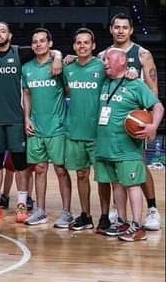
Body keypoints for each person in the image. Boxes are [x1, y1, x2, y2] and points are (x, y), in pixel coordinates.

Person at [0, 21, 62, 223]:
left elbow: (48, 50)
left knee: (20, 165)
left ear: (10, 35)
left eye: (3, 31)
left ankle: (21, 205)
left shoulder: (20, 53)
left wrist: (59, 57)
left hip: (16, 120)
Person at [95, 48, 163, 241]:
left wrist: (153, 126)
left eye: (109, 59)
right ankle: (123, 222)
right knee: (117, 184)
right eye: (105, 59)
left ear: (122, 61)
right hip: (106, 146)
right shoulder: (105, 81)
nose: (105, 63)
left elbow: (157, 106)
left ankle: (137, 226)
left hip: (127, 147)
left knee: (132, 184)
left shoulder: (136, 84)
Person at [21, 28, 72, 227]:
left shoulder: (59, 66)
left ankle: (66, 212)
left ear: (50, 43)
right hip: (36, 125)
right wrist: (27, 118)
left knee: (60, 170)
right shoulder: (27, 68)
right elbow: (27, 95)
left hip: (57, 126)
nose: (38, 44)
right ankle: (40, 211)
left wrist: (58, 56)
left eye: (42, 41)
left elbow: (70, 88)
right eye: (35, 41)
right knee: (39, 169)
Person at [62, 28, 104, 231]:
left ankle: (105, 216)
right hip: (75, 131)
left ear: (93, 46)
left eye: (86, 42)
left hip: (98, 133)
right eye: (78, 43)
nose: (82, 46)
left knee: (103, 177)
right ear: (73, 46)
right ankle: (86, 215)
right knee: (81, 175)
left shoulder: (103, 67)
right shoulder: (68, 69)